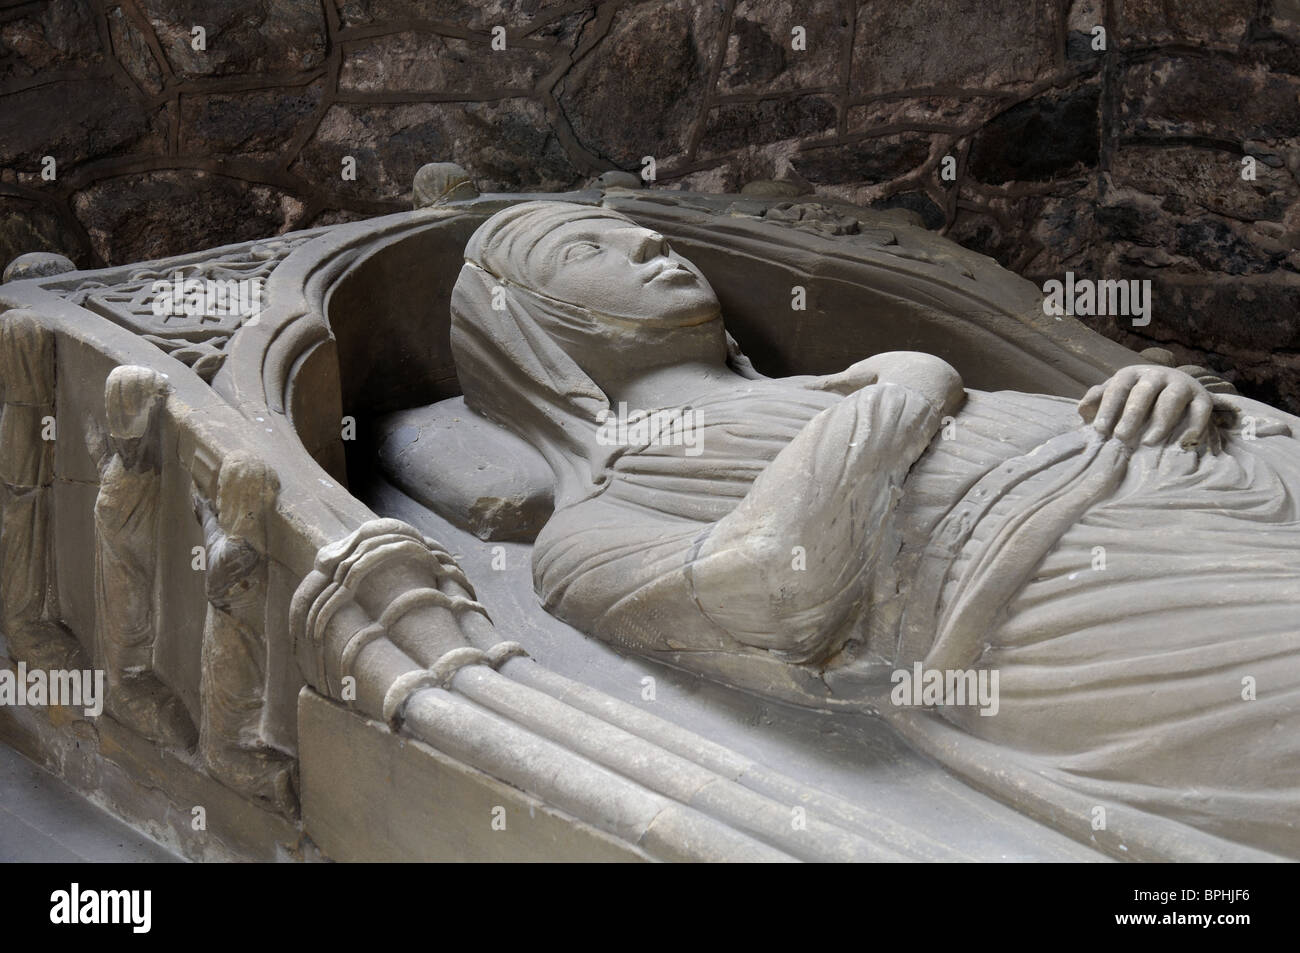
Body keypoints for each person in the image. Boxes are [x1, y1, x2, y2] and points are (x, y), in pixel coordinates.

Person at [441, 200, 1300, 856]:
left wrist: (1183, 395)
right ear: (524, 318)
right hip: (1058, 597)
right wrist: (908, 389)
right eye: (586, 250)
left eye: (641, 234)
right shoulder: (589, 528)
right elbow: (771, 587)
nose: (648, 246)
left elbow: (1136, 406)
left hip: (1212, 477)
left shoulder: (819, 383)